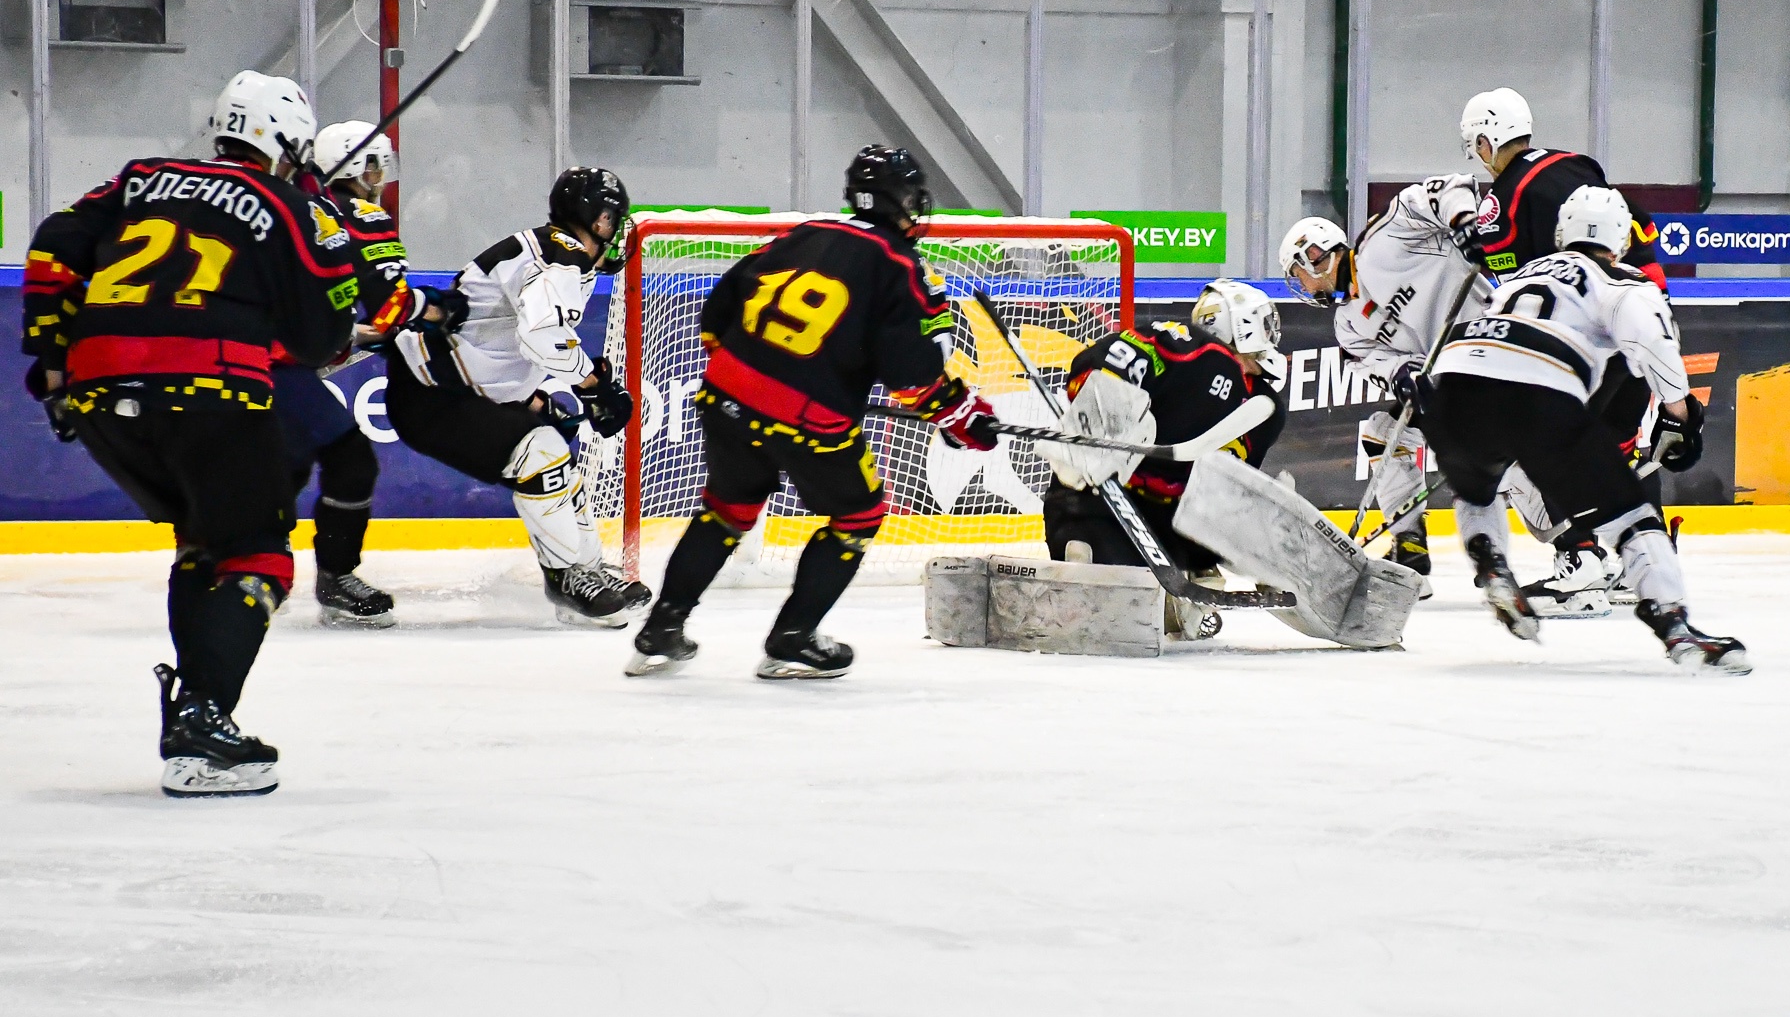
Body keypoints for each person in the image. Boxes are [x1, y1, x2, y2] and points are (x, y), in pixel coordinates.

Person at [20, 69, 358, 796]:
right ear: (286, 142)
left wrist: (51, 353)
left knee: (203, 542)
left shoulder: (140, 179)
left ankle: (198, 713)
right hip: (210, 387)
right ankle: (202, 718)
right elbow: (322, 336)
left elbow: (52, 244)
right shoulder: (292, 205)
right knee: (258, 555)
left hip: (98, 388)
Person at [625, 145, 998, 680]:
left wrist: (757, 378)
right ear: (900, 200)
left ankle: (661, 628)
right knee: (859, 515)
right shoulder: (899, 263)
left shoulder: (803, 234)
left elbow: (718, 311)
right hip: (803, 418)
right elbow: (912, 375)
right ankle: (792, 639)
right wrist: (960, 417)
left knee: (726, 511)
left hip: (724, 393)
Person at [1420, 186, 1748, 672]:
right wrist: (1680, 416)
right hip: (1540, 385)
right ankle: (1674, 623)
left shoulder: (1520, 275)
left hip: (1457, 379)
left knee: (1479, 487)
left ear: (1561, 234)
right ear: (1620, 239)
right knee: (1632, 518)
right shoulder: (1622, 280)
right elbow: (1654, 344)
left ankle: (1490, 561)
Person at [384, 166, 650, 626]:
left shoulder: (552, 250)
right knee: (540, 452)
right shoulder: (563, 255)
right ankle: (566, 578)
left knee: (553, 450)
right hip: (429, 395)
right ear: (594, 217)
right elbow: (541, 337)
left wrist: (537, 402)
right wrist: (593, 386)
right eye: (611, 218)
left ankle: (587, 569)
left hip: (449, 389)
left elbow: (498, 346)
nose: (614, 230)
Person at [1459, 86, 1670, 614]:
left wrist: (1475, 251)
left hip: (1584, 342)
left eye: (1477, 145)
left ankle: (1580, 561)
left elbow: (1518, 290)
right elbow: (1642, 228)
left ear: (1487, 141)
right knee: (1620, 449)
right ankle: (1641, 564)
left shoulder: (1501, 200)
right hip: (1641, 318)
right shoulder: (1580, 166)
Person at [268, 120, 464, 627]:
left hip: (245, 353)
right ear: (359, 166)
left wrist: (349, 334)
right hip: (278, 364)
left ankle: (253, 558)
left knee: (285, 463)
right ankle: (330, 575)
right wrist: (440, 309)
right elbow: (391, 304)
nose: (380, 179)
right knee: (350, 462)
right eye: (376, 167)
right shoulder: (363, 217)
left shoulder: (292, 205)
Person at [1040, 279, 1287, 639]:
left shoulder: (1264, 409)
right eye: (1263, 322)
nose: (1270, 334)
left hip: (1167, 525)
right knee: (1098, 589)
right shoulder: (1198, 351)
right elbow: (1100, 361)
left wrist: (1227, 552)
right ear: (1241, 323)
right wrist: (1104, 410)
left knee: (1130, 609)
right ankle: (1116, 566)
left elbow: (1227, 493)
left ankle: (1189, 573)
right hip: (1101, 503)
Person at [1284, 184, 1488, 597]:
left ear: (1314, 255)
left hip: (1494, 344)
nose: (1301, 285)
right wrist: (1402, 373)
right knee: (1383, 433)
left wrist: (1463, 222)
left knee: (1508, 453)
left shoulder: (1383, 240)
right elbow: (1373, 362)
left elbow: (1448, 188)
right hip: (1450, 379)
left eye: (1297, 273)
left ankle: (1576, 546)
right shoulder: (1348, 323)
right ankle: (1409, 544)